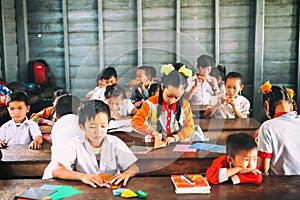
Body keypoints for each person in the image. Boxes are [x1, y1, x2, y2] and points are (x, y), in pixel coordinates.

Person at [43, 100, 139, 188]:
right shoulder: (76, 144)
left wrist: (127, 174)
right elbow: (57, 170)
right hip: (88, 191)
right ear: (82, 127)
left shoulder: (115, 143)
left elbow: (133, 167)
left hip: (112, 190)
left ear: (108, 125)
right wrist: (83, 177)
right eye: (92, 126)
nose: (98, 131)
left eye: (103, 126)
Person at [131, 63, 195, 144]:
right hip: (153, 145)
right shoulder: (150, 103)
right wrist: (151, 132)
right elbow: (135, 122)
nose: (172, 100)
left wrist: (176, 137)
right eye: (169, 96)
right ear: (162, 87)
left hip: (178, 144)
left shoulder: (185, 105)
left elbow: (190, 128)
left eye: (176, 97)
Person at [257, 81, 300, 175]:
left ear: (266, 106)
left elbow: (263, 168)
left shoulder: (267, 127)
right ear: (291, 105)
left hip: (280, 184)